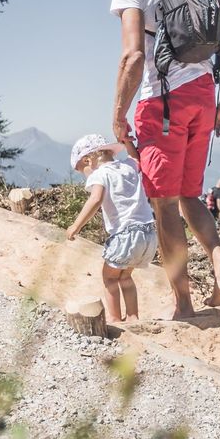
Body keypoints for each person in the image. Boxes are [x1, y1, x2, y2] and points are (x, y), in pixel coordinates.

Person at [108, 0, 220, 318]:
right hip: (204, 94)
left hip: (161, 102)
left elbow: (132, 58)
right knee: (190, 194)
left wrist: (118, 114)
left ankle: (183, 304)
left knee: (165, 203)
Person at [66, 133, 158, 323]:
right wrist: (128, 142)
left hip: (125, 236)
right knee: (125, 278)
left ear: (88, 159)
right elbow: (135, 158)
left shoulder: (100, 174)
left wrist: (76, 226)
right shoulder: (127, 166)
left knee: (109, 278)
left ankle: (115, 319)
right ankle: (133, 317)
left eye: (82, 169)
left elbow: (95, 199)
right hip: (148, 234)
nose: (85, 174)